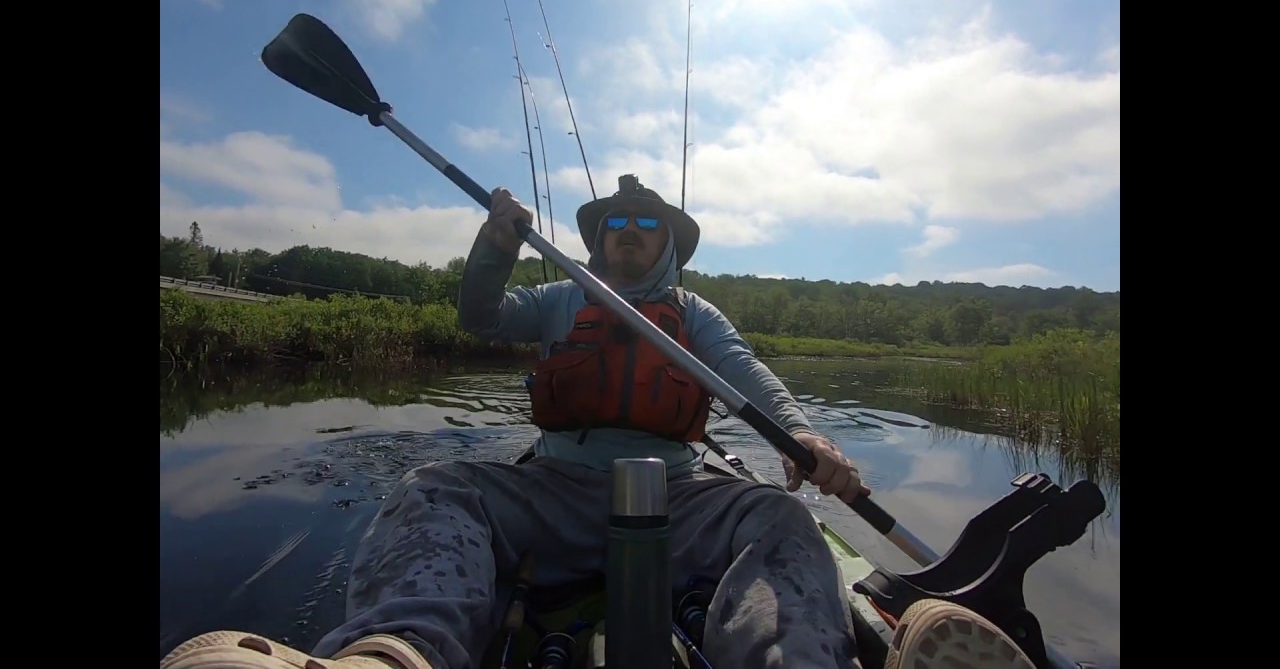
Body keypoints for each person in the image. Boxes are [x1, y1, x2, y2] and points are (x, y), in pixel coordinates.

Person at [160, 177, 1041, 669]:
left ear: (665, 243)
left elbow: (750, 379)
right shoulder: (558, 296)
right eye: (613, 223)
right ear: (596, 240)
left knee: (777, 515)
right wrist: (497, 244)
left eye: (642, 224)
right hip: (550, 488)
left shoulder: (694, 312)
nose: (625, 232)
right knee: (434, 487)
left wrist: (808, 437)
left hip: (681, 495)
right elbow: (477, 315)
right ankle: (392, 656)